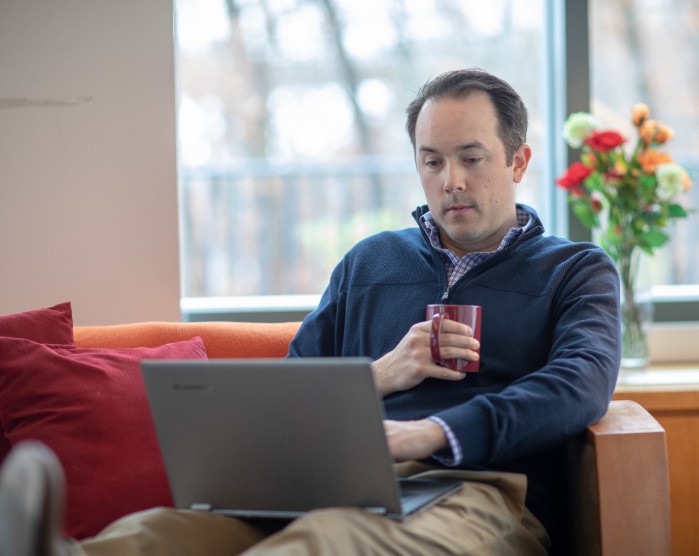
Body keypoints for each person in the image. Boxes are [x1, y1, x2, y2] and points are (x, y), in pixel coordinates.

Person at [0, 68, 620, 555]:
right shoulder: (371, 262)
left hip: (476, 492)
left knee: (325, 546)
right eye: (431, 161)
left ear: (517, 161)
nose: (450, 179)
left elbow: (579, 386)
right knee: (163, 534)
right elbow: (293, 390)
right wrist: (380, 373)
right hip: (334, 485)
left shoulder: (573, 270)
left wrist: (429, 433)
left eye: (472, 157)